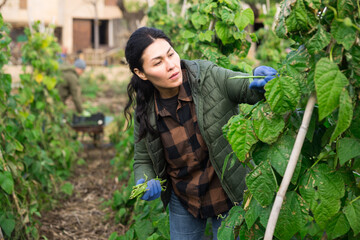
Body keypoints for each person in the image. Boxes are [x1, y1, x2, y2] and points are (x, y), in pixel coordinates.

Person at [124, 27, 277, 240]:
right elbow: (142, 159)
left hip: (228, 191)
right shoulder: (146, 111)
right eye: (158, 63)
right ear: (140, 73)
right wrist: (145, 180)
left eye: (170, 54)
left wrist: (258, 82)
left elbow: (242, 86)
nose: (170, 66)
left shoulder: (206, 76)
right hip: (184, 197)